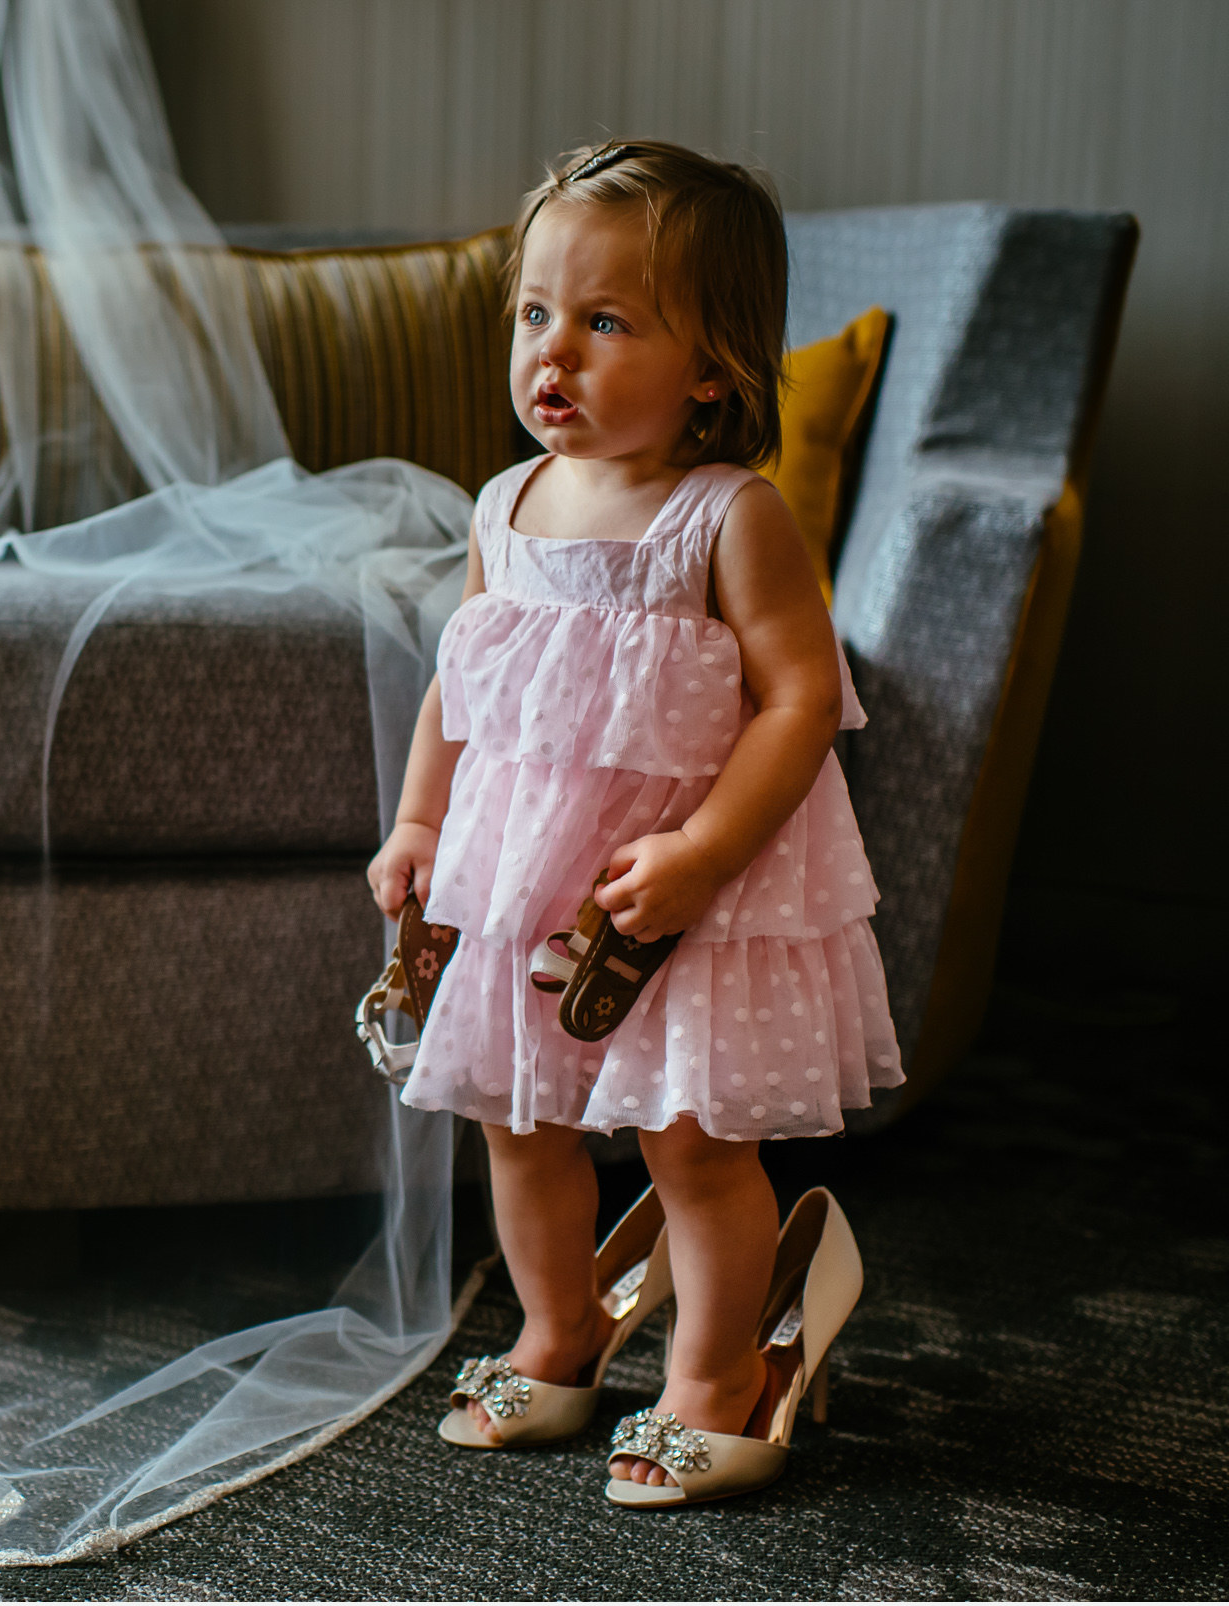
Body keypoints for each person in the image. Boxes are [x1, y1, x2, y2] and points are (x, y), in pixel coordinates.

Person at [365, 140, 902, 1507]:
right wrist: (422, 821)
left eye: (607, 322)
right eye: (536, 315)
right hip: (522, 884)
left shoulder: (729, 517)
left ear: (710, 366)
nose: (556, 352)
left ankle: (722, 1371)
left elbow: (800, 698)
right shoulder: (506, 506)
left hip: (682, 889)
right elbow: (464, 682)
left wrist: (707, 850)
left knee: (691, 1140)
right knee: (515, 1121)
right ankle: (558, 1330)